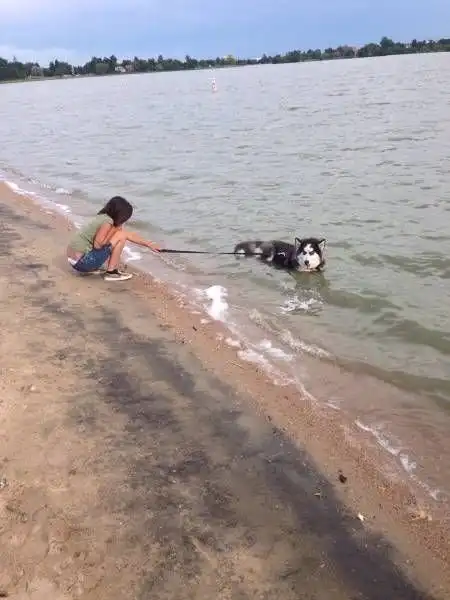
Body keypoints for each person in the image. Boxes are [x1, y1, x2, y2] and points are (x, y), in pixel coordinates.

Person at [66, 196, 161, 282]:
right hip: (82, 263)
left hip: (74, 260)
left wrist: (149, 244)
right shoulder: (108, 222)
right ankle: (111, 272)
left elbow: (129, 235)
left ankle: (101, 269)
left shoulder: (102, 217)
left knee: (121, 235)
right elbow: (97, 245)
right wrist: (115, 229)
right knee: (121, 236)